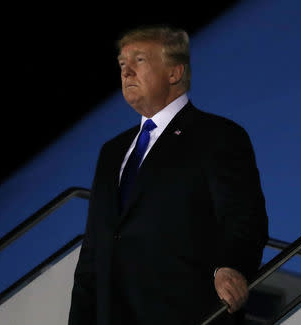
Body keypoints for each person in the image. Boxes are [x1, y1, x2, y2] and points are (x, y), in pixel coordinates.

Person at [68, 25, 268, 325]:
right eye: (122, 64)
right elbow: (92, 255)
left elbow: (244, 218)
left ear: (175, 73)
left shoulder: (217, 136)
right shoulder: (112, 152)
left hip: (187, 314)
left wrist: (231, 267)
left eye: (139, 61)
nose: (126, 73)